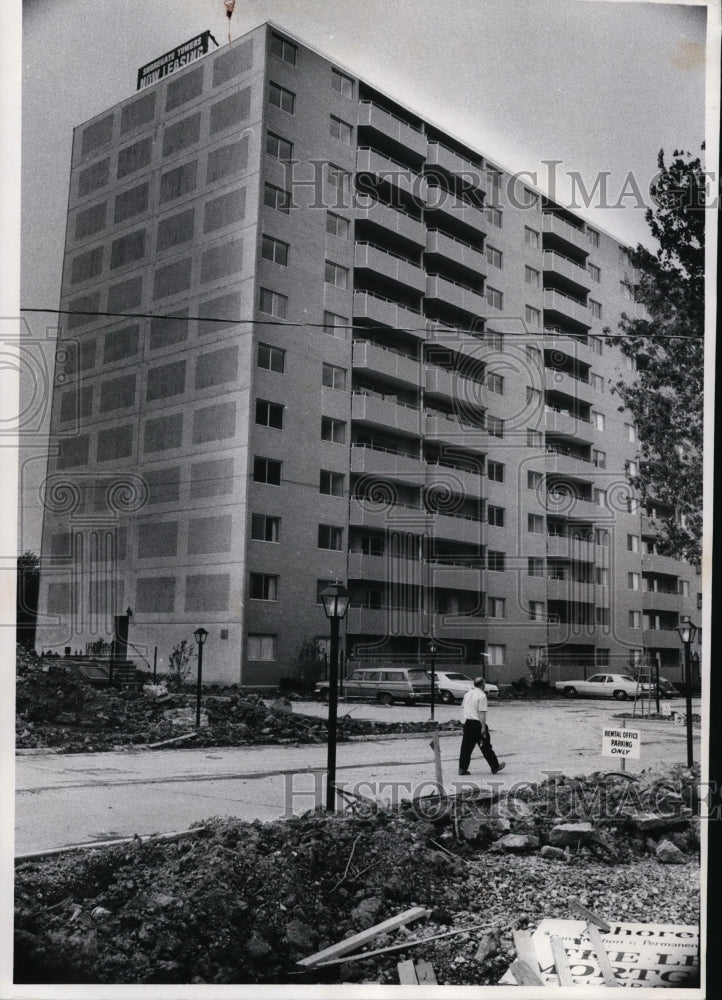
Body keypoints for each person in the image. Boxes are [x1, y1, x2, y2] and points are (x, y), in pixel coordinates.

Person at [458, 676, 506, 775]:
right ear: (482, 684)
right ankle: (495, 766)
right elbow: (481, 713)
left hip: (468, 723)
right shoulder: (482, 696)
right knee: (486, 746)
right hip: (477, 724)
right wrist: (483, 727)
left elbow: (463, 707)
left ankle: (462, 768)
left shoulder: (467, 694)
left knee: (466, 748)